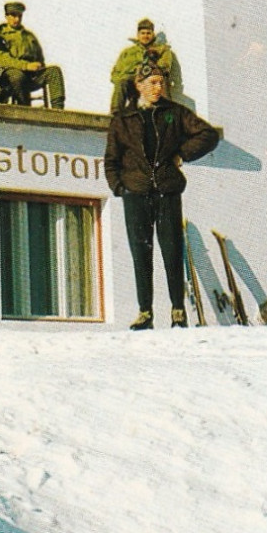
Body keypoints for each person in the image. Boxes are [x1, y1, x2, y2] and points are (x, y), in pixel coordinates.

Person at [104, 62, 219, 329]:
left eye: (160, 83)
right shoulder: (123, 120)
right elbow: (111, 160)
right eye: (152, 83)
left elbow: (208, 134)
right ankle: (145, 312)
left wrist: (182, 153)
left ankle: (178, 310)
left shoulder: (174, 113)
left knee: (172, 250)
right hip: (136, 193)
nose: (158, 88)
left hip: (167, 190)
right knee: (140, 253)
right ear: (139, 85)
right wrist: (120, 188)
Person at [0, 1, 65, 108]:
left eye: (19, 16)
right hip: (9, 75)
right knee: (17, 76)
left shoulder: (29, 37)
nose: (17, 19)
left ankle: (58, 111)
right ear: (6, 16)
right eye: (13, 15)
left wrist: (39, 66)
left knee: (54, 71)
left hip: (31, 76)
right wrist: (26, 66)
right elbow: (2, 59)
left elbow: (39, 57)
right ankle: (25, 108)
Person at [110, 18, 176, 110]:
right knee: (121, 83)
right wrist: (124, 78)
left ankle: (166, 114)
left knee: (160, 80)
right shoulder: (127, 52)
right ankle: (115, 114)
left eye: (148, 33)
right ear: (138, 35)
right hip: (132, 86)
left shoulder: (162, 50)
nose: (145, 36)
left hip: (151, 84)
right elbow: (115, 72)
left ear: (153, 35)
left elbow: (164, 67)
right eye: (143, 33)